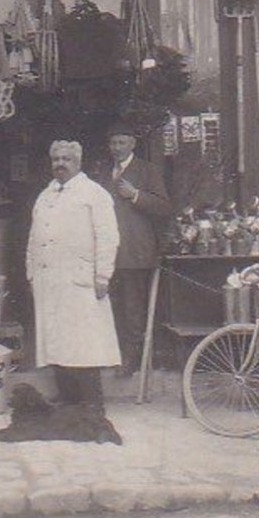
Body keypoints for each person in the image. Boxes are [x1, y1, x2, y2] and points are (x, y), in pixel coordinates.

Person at [26, 139, 123, 440]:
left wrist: (103, 275)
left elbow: (108, 237)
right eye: (56, 158)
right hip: (50, 281)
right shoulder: (45, 195)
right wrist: (31, 274)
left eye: (66, 158)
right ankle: (68, 401)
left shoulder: (94, 194)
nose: (60, 163)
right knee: (58, 342)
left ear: (78, 162)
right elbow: (33, 238)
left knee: (84, 344)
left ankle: (92, 404)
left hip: (81, 280)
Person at [100, 122, 173, 378]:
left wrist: (136, 195)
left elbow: (164, 207)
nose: (116, 148)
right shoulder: (104, 172)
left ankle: (132, 360)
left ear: (133, 144)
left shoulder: (146, 170)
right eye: (113, 143)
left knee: (133, 308)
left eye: (121, 143)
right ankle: (115, 355)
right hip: (110, 252)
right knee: (113, 306)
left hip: (136, 251)